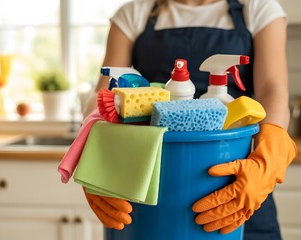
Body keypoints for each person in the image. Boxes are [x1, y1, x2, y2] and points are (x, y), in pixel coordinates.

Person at [82, 0, 298, 239]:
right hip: (148, 186)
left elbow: (272, 91)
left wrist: (271, 149)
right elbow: (104, 95)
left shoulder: (257, 8)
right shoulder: (134, 14)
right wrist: (96, 153)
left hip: (239, 182)